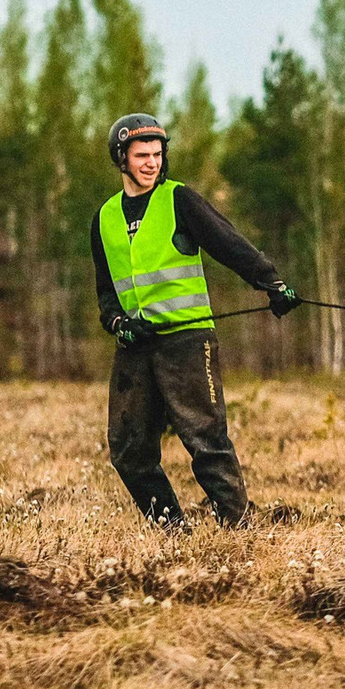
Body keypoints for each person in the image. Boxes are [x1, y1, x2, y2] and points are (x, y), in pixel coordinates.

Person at [90, 113, 299, 529]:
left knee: (205, 441)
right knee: (128, 452)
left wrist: (271, 282)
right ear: (121, 159)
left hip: (187, 341)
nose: (151, 162)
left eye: (157, 154)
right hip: (135, 347)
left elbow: (228, 243)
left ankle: (239, 530)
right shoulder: (104, 218)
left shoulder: (179, 199)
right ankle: (174, 533)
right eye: (141, 155)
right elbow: (105, 292)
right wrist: (118, 324)